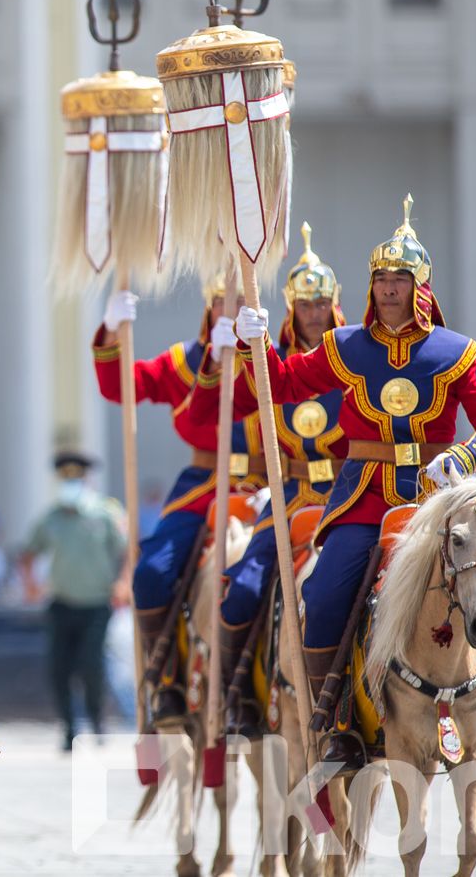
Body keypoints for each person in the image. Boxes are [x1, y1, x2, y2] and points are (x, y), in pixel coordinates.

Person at [233, 196, 476, 766]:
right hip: (365, 495)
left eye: (398, 279)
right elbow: (277, 384)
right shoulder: (344, 346)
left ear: (419, 286)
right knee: (325, 592)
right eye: (380, 278)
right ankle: (332, 718)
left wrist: (463, 454)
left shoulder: (457, 353)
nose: (386, 289)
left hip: (440, 498)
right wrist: (248, 341)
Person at [187, 223, 346, 736]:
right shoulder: (268, 365)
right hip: (288, 497)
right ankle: (236, 695)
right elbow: (208, 426)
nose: (315, 313)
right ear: (293, 308)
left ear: (334, 305)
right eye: (306, 304)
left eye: (322, 304)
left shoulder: (355, 362)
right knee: (244, 589)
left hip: (347, 499)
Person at [97, 274, 263, 727]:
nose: (226, 315)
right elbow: (120, 387)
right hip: (204, 483)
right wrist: (112, 332)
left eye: (237, 307)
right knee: (152, 574)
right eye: (220, 307)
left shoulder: (275, 362)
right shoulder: (183, 361)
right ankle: (165, 680)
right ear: (208, 311)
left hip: (268, 480)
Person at [22, 449, 126, 751]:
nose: (70, 483)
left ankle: (97, 720)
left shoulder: (105, 513)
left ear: (86, 479)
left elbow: (127, 550)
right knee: (59, 669)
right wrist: (32, 585)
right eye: (65, 478)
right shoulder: (52, 517)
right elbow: (28, 553)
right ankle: (69, 727)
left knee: (91, 666)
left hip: (96, 604)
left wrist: (123, 582)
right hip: (62, 603)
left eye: (76, 477)